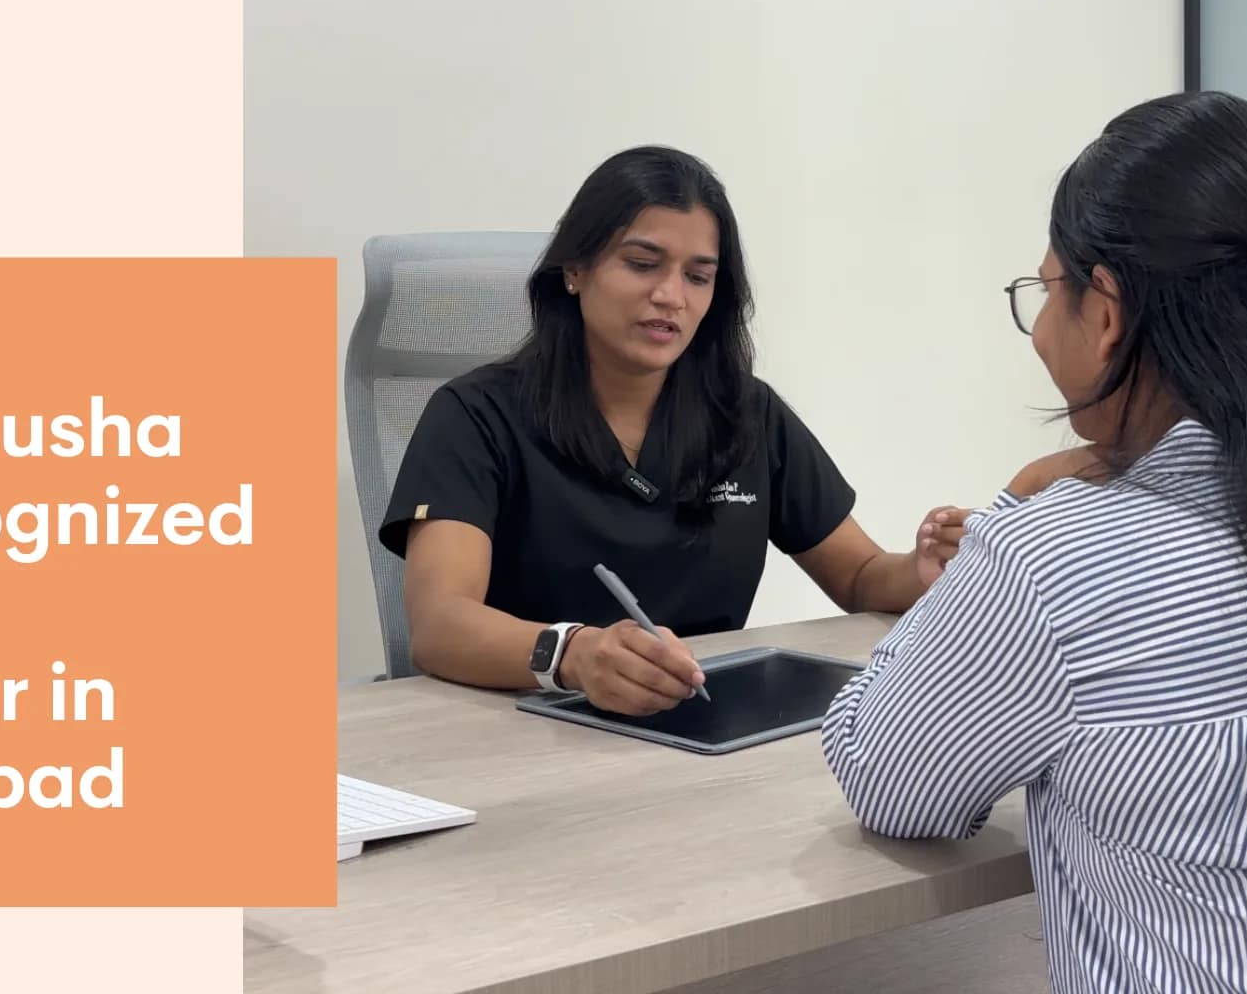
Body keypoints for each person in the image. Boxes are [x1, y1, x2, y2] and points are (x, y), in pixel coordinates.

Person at [821, 91, 1247, 989]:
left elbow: (885, 774)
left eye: (1045, 289)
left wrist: (1013, 522)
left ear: (1106, 312)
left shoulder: (1055, 557)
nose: (1037, 326)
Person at [379, 145, 965, 716]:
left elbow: (860, 576)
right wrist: (575, 654)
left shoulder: (746, 414)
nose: (671, 297)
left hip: (702, 726)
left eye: (698, 277)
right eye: (642, 264)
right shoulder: (474, 414)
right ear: (575, 270)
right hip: (530, 730)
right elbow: (439, 624)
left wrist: (918, 571)